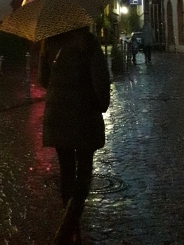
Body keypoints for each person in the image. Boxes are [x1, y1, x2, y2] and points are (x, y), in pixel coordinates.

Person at [38, 26, 111, 245]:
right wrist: (101, 104)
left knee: (67, 173)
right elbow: (100, 80)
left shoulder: (49, 42)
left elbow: (43, 80)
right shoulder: (86, 42)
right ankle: (67, 228)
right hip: (84, 117)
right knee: (84, 175)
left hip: (58, 116)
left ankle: (73, 229)